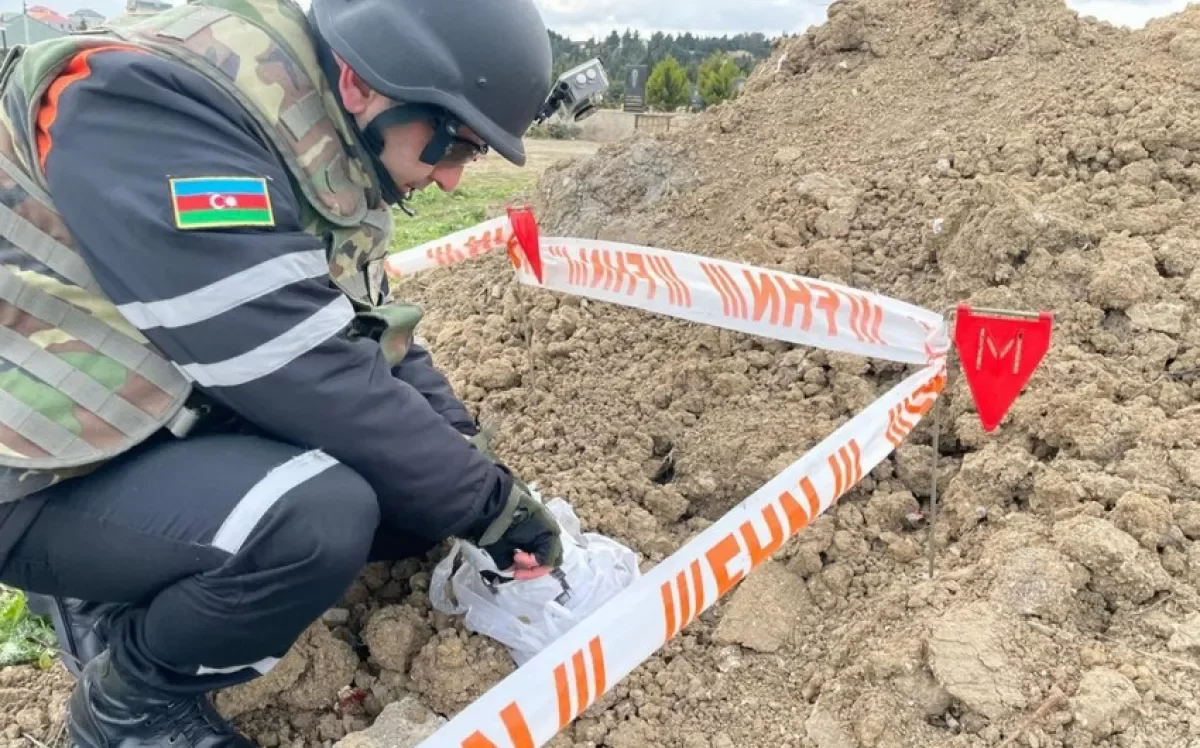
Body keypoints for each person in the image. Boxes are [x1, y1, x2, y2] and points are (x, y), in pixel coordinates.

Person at [0, 0, 570, 744]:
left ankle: (131, 572)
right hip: (40, 466)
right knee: (316, 521)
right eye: (452, 146)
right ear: (368, 86)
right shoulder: (144, 109)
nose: (454, 180)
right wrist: (484, 501)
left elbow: (367, 334)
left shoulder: (313, 126)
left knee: (413, 506)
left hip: (140, 411)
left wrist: (471, 468)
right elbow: (293, 360)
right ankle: (130, 701)